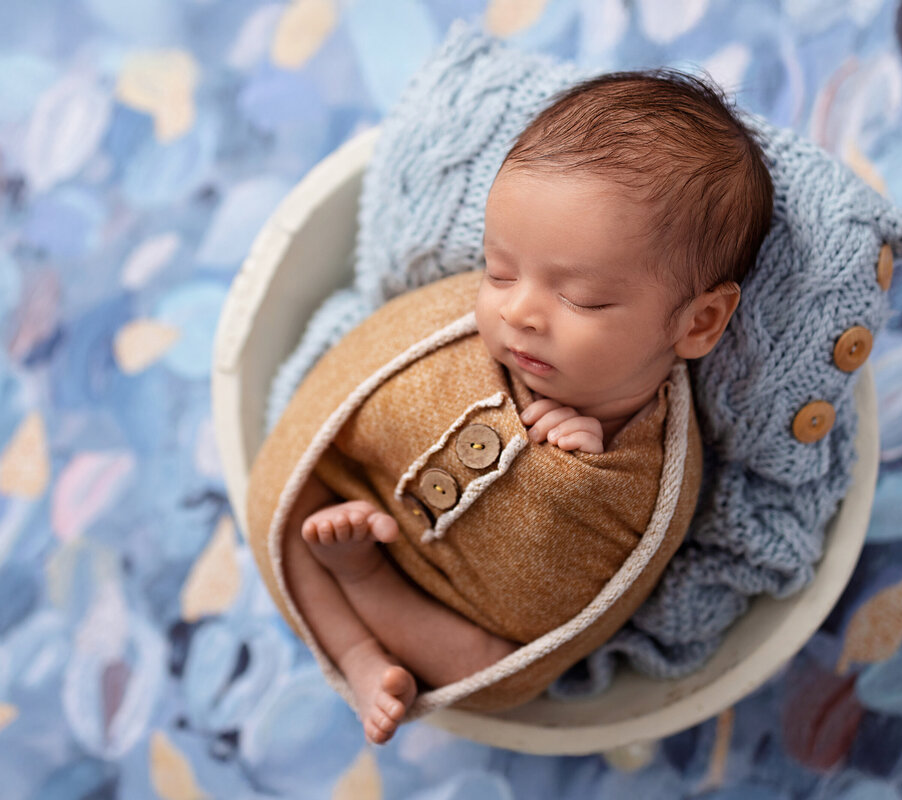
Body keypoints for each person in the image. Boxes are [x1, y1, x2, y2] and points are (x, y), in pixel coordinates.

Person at [277, 70, 773, 744]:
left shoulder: (648, 459)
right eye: (498, 270)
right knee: (289, 508)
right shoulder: (472, 331)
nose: (518, 312)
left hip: (471, 616)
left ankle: (363, 587)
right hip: (359, 497)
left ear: (698, 321)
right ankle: (361, 656)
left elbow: (610, 545)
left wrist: (585, 472)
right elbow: (380, 363)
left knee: (495, 672)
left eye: (582, 299)